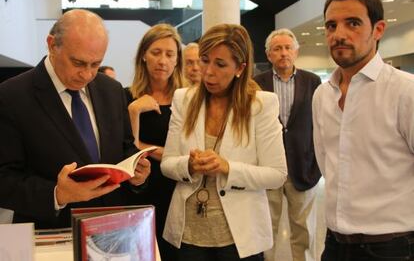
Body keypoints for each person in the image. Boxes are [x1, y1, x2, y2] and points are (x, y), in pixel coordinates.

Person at [0, 9, 150, 229]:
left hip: (111, 227)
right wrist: (57, 194)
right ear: (52, 45)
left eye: (96, 64)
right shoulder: (12, 96)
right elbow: (4, 179)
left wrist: (137, 173)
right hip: (50, 233)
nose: (87, 74)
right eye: (78, 63)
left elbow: (124, 147)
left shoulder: (111, 90)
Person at [161, 23, 288, 261]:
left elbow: (277, 174)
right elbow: (167, 164)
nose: (208, 72)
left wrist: (227, 167)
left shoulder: (261, 105)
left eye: (220, 65)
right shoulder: (184, 99)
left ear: (240, 68)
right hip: (189, 234)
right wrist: (188, 166)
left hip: (239, 237)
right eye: (204, 60)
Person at [313, 0, 414, 260]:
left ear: (378, 30)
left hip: (391, 247)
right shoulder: (322, 95)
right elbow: (326, 162)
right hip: (334, 244)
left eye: (353, 23)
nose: (339, 34)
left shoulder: (405, 91)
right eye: (331, 25)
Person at [254, 28, 321, 261]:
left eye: (288, 47)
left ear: (296, 51)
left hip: (303, 168)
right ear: (268, 54)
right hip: (268, 168)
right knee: (266, 229)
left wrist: (318, 164)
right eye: (277, 49)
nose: (283, 53)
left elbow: (319, 123)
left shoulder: (312, 81)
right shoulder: (256, 84)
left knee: (304, 231)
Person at [125, 23, 186, 261]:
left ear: (176, 60)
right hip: (138, 188)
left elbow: (183, 153)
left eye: (170, 54)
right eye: (156, 52)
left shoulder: (186, 100)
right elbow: (125, 151)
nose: (162, 60)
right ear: (143, 56)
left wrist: (142, 146)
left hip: (175, 190)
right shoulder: (125, 97)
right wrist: (133, 113)